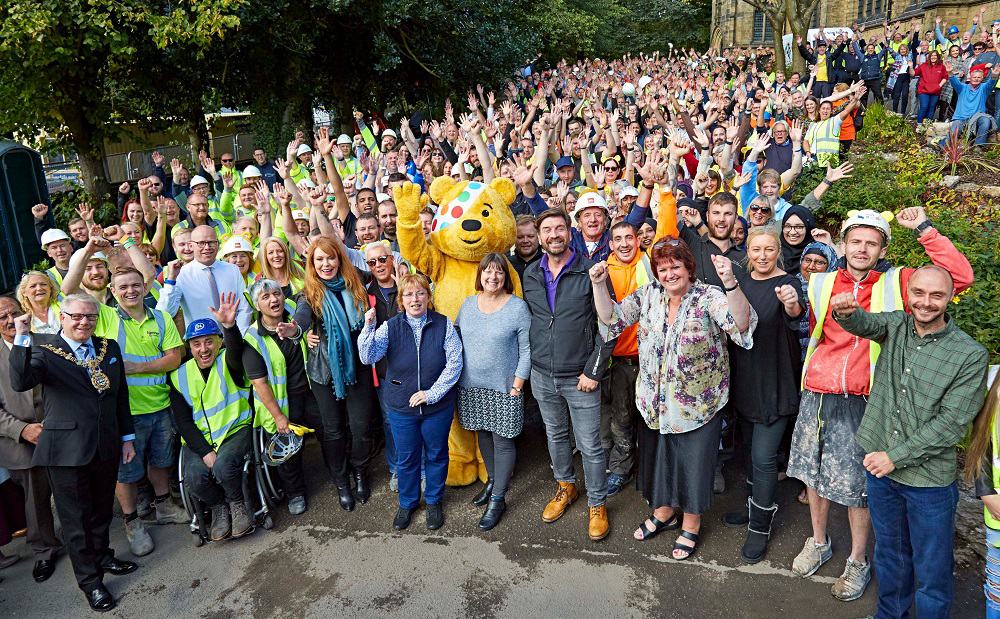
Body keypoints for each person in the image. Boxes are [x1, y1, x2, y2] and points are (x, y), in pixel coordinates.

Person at [786, 207, 974, 602]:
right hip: (818, 390)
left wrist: (924, 229)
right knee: (812, 474)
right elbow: (808, 326)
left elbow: (958, 278)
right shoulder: (819, 281)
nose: (862, 248)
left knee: (861, 487)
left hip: (868, 397)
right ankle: (818, 541)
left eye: (872, 242)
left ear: (883, 248)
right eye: (855, 240)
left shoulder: (900, 281)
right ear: (842, 244)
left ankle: (857, 559)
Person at [830, 266, 988, 618]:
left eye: (936, 295)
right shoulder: (896, 324)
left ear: (950, 298)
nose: (926, 302)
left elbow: (951, 424)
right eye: (918, 293)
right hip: (882, 472)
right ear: (908, 294)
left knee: (932, 570)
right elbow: (863, 324)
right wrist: (845, 311)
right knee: (890, 555)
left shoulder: (969, 355)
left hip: (928, 482)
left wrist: (894, 457)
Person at [591, 239, 755, 560]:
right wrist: (599, 284)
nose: (669, 274)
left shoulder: (709, 296)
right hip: (654, 403)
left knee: (693, 468)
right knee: (660, 462)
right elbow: (612, 319)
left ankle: (691, 526)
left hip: (698, 407)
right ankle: (664, 513)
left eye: (675, 267)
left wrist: (731, 283)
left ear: (688, 267)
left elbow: (741, 323)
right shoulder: (650, 294)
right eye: (662, 269)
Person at [10, 294, 138, 612]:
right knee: (76, 521)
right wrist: (22, 335)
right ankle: (91, 582)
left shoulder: (109, 348)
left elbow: (119, 397)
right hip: (66, 452)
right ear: (62, 316)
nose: (84, 322)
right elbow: (20, 380)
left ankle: (104, 556)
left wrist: (127, 437)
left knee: (102, 511)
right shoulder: (45, 350)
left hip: (105, 445)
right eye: (76, 316)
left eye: (90, 317)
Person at [522, 208, 614, 542]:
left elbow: (609, 325)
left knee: (590, 445)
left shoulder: (591, 272)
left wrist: (594, 370)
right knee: (556, 435)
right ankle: (565, 487)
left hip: (581, 377)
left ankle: (597, 503)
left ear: (569, 231)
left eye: (559, 228)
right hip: (543, 374)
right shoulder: (530, 274)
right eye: (547, 230)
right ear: (540, 235)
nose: (554, 235)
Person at [721, 227, 803, 563]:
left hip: (775, 381)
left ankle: (760, 525)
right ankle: (754, 505)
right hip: (745, 381)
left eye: (769, 249)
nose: (763, 255)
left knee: (764, 457)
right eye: (756, 249)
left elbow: (794, 316)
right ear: (748, 252)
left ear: (778, 250)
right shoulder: (740, 282)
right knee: (749, 453)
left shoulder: (789, 284)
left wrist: (792, 305)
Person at [92, 267, 186, 557]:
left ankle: (163, 506)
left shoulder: (161, 317)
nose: (130, 291)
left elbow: (174, 358)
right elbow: (69, 289)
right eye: (122, 287)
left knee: (160, 459)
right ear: (112, 290)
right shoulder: (105, 316)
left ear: (145, 288)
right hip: (125, 412)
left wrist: (135, 368)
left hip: (160, 403)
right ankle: (132, 523)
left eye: (135, 285)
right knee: (127, 472)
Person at [358, 274, 463, 531]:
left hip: (436, 407)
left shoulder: (443, 324)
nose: (415, 299)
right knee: (407, 457)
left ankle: (434, 501)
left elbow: (455, 362)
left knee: (437, 454)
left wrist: (432, 393)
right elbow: (367, 356)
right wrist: (368, 327)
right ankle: (407, 503)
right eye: (408, 295)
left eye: (420, 294)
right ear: (401, 301)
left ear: (428, 297)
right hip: (401, 406)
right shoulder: (391, 326)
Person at [293, 237, 376, 512]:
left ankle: (360, 471)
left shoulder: (357, 283)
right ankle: (341, 482)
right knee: (333, 430)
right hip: (325, 372)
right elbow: (302, 318)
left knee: (361, 427)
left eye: (330, 258)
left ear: (339, 259)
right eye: (319, 259)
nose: (326, 264)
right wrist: (297, 331)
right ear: (312, 264)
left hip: (359, 367)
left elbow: (381, 273)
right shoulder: (308, 294)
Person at [169, 300, 255, 543]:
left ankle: (237, 504)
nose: (203, 349)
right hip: (200, 440)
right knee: (194, 477)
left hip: (234, 430)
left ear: (219, 342)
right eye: (196, 344)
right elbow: (183, 423)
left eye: (209, 341)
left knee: (224, 466)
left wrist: (229, 327)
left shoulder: (229, 360)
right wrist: (205, 451)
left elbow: (237, 350)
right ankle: (218, 507)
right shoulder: (178, 377)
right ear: (189, 347)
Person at [455, 254, 530, 531]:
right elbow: (457, 339)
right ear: (480, 275)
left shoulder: (517, 308)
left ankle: (499, 498)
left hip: (505, 389)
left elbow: (527, 350)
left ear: (505, 277)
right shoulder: (468, 305)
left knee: (503, 441)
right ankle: (492, 482)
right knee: (483, 434)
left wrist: (517, 385)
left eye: (499, 272)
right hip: (471, 386)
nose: (493, 277)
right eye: (488, 272)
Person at [240, 279, 324, 516]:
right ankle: (295, 493)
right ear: (257, 305)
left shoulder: (294, 312)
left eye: (276, 294)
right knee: (288, 450)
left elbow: (305, 297)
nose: (274, 300)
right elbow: (259, 383)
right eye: (265, 297)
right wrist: (278, 416)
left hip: (310, 390)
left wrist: (303, 332)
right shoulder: (253, 339)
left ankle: (339, 476)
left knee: (329, 432)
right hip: (280, 403)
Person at [0, 295, 61, 583]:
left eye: (13, 312)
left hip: (60, 431)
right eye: (2, 316)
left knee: (72, 490)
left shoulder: (49, 341)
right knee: (35, 502)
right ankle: (44, 551)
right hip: (19, 443)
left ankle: (85, 542)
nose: (10, 320)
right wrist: (22, 430)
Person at [602, 221, 653, 496]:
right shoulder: (603, 272)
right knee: (621, 419)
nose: (624, 243)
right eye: (618, 239)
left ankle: (649, 469)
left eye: (629, 238)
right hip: (620, 359)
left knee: (649, 418)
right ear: (610, 244)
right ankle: (621, 469)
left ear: (638, 240)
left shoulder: (650, 265)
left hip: (649, 358)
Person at [157, 225, 252, 332]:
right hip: (202, 342)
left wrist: (238, 335)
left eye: (211, 242)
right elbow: (165, 312)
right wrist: (170, 281)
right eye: (201, 243)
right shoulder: (181, 274)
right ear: (192, 246)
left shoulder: (232, 270)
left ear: (217, 244)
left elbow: (244, 307)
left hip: (234, 337)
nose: (207, 247)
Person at [966, 373, 1000, 618]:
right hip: (997, 514)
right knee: (997, 591)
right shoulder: (992, 381)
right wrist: (986, 491)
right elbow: (982, 441)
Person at [949, 64, 1000, 146]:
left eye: (979, 77)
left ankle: (978, 146)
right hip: (960, 118)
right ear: (970, 78)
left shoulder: (984, 88)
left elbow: (991, 83)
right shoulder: (962, 87)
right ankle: (940, 147)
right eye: (974, 77)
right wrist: (950, 72)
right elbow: (954, 82)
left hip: (976, 119)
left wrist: (994, 75)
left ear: (982, 78)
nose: (976, 79)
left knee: (985, 120)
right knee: (953, 131)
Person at [508, 214, 542, 281]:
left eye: (530, 236)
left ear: (538, 237)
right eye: (520, 237)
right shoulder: (507, 264)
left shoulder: (548, 263)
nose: (525, 241)